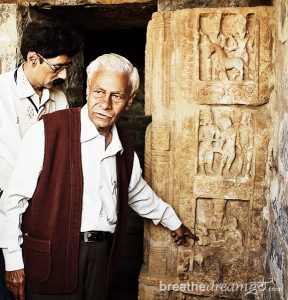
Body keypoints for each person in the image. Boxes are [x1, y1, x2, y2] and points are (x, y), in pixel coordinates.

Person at [0, 53, 198, 300]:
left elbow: (136, 192)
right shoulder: (48, 130)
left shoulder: (122, 145)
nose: (105, 104)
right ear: (87, 90)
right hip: (53, 258)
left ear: (130, 100)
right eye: (99, 92)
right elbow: (13, 200)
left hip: (102, 260)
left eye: (116, 96)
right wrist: (13, 262)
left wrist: (172, 221)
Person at [0, 20, 81, 299]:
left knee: (36, 284)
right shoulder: (1, 93)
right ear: (33, 58)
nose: (62, 76)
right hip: (3, 202)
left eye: (65, 68)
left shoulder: (59, 99)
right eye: (57, 67)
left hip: (42, 208)